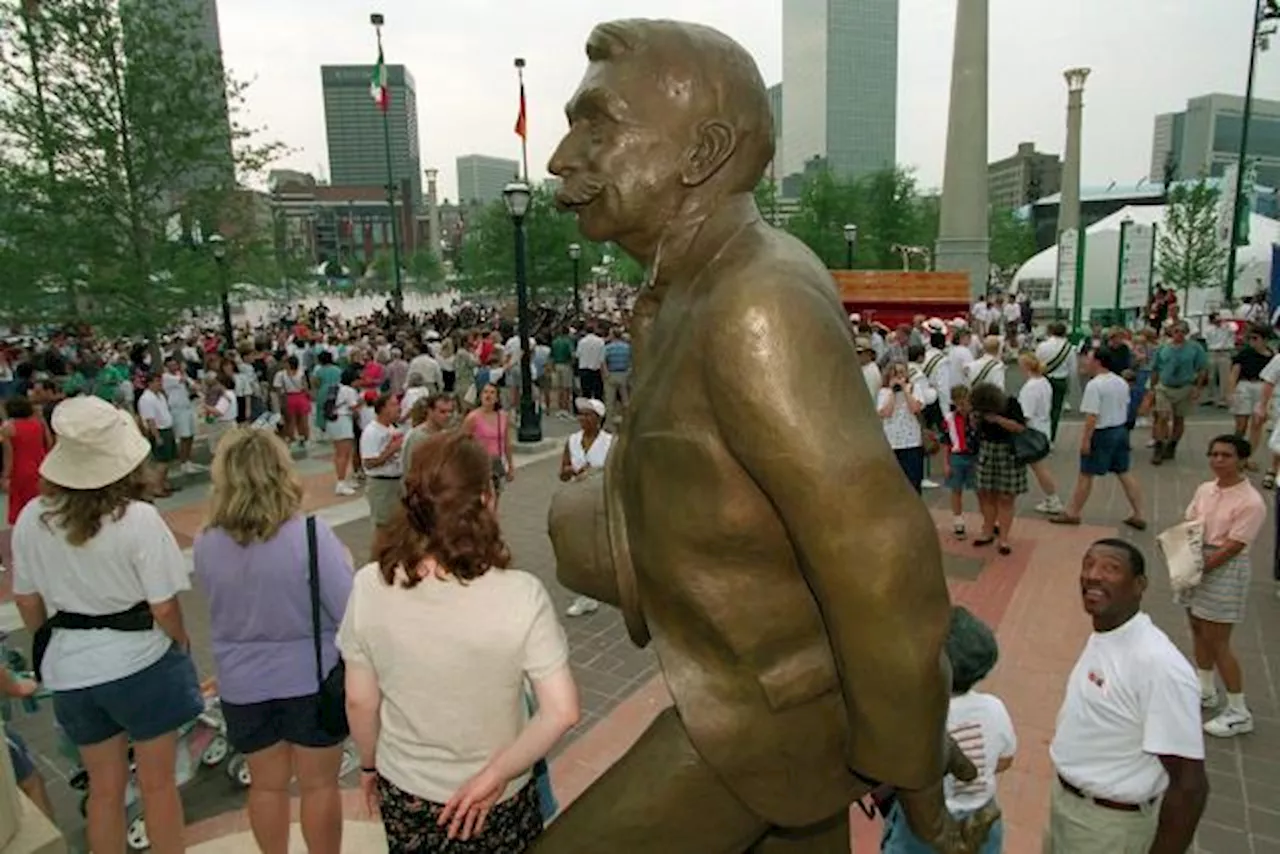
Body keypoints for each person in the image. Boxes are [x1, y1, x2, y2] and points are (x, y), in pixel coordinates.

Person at [543, 19, 991, 852]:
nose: (563, 157)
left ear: (702, 151)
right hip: (770, 725)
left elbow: (880, 565)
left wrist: (915, 771)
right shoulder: (692, 287)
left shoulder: (754, 301)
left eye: (599, 123)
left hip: (763, 726)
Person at [339, 431, 580, 851]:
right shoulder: (521, 595)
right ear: (486, 500)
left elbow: (360, 700)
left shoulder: (368, 586)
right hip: (499, 798)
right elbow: (561, 712)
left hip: (407, 790)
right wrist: (494, 775)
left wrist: (368, 765)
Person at [10, 396, 203, 854]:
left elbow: (26, 599)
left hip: (72, 669)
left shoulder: (32, 520)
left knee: (104, 790)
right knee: (158, 787)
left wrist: (46, 644)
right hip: (141, 663)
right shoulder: (138, 521)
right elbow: (165, 608)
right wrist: (182, 646)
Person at [193, 429, 353, 854]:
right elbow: (347, 609)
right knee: (319, 787)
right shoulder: (309, 535)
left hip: (242, 684)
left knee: (266, 786)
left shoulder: (207, 543)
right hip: (310, 681)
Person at [1046, 540, 1207, 853]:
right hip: (1068, 808)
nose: (1093, 575)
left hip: (1108, 828)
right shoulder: (1107, 633)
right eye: (1088, 564)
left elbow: (1190, 785)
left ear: (1139, 586)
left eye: (1111, 568)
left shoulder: (1158, 665)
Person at [881, 606, 1014, 854]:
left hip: (924, 827)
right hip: (982, 816)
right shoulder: (995, 709)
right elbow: (1005, 760)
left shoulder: (918, 716)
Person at [1179, 434, 1266, 738]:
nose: (1218, 460)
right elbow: (1190, 520)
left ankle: (1239, 710)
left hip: (1223, 568)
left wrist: (1202, 568)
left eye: (1226, 455)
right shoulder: (1205, 489)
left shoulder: (1251, 501)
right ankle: (1205, 690)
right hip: (1196, 558)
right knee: (1198, 628)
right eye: (1213, 454)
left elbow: (1233, 545)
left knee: (1219, 641)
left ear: (1241, 460)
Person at [1051, 347, 1147, 531]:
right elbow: (1126, 405)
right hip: (1120, 429)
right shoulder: (1120, 382)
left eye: (1088, 359)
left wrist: (1085, 440)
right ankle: (1138, 513)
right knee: (1124, 472)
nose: (1084, 363)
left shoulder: (1094, 385)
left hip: (1102, 432)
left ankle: (1073, 512)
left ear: (1097, 362)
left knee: (1086, 474)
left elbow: (1092, 417)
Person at [559, 398, 615, 619]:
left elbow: (618, 471)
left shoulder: (610, 442)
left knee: (600, 548)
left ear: (598, 419)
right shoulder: (572, 441)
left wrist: (598, 472)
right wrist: (571, 471)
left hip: (602, 499)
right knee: (579, 549)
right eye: (580, 414)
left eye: (587, 414)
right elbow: (562, 473)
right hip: (577, 499)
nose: (582, 418)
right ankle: (586, 596)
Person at [969, 382, 1027, 556]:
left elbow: (1020, 427)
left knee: (1006, 497)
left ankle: (1004, 538)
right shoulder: (979, 408)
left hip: (1008, 451)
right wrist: (974, 420)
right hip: (987, 449)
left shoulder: (1011, 403)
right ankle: (987, 531)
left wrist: (998, 420)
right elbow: (976, 430)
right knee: (986, 493)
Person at [1149, 321, 1208, 465]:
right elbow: (1156, 368)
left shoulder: (1195, 348)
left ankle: (1172, 445)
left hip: (1184, 387)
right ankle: (1159, 446)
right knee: (1162, 416)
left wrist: (1197, 388)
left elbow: (1202, 369)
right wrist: (1152, 388)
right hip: (1165, 386)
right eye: (1176, 331)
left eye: (1182, 332)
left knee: (1179, 418)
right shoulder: (1163, 347)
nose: (1179, 334)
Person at [1017, 353, 1063, 515]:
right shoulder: (1044, 382)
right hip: (1044, 428)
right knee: (1040, 467)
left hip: (1033, 432)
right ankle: (1051, 498)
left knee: (1039, 468)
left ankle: (1053, 498)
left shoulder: (1030, 387)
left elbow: (1026, 414)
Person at [360, 394, 405, 558]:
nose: (398, 408)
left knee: (396, 527)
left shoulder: (392, 429)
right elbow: (369, 462)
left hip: (396, 480)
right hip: (381, 483)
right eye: (393, 405)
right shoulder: (372, 432)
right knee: (383, 528)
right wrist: (391, 450)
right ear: (382, 409)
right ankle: (375, 562)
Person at [877, 362, 927, 493]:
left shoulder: (915, 388)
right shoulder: (884, 392)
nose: (899, 377)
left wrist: (905, 391)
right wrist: (893, 393)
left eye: (901, 373)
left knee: (913, 480)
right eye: (895, 374)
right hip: (891, 442)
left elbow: (915, 408)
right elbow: (885, 413)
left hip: (911, 441)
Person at [463, 384, 515, 506]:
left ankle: (491, 521)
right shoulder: (473, 417)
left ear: (497, 398)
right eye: (485, 392)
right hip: (479, 462)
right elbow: (463, 442)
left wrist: (510, 466)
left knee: (495, 497)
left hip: (496, 461)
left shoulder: (502, 416)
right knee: (483, 500)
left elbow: (506, 442)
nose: (488, 395)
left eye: (492, 393)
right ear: (480, 396)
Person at [1, 395, 51, 523]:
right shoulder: (38, 424)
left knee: (21, 509)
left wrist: (5, 476)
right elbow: (49, 443)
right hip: (40, 467)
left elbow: (9, 456)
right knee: (39, 505)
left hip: (20, 471)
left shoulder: (7, 428)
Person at [941, 386, 981, 540]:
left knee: (980, 490)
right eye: (959, 404)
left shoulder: (976, 417)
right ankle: (958, 520)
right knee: (956, 489)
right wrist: (946, 463)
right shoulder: (949, 419)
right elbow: (946, 442)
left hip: (974, 456)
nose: (963, 407)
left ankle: (988, 519)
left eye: (965, 403)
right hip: (957, 455)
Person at [1036, 322, 1076, 442]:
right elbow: (1072, 369)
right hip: (1060, 380)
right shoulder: (1069, 348)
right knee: (1055, 411)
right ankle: (1051, 439)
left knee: (1041, 409)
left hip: (1044, 379)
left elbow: (1037, 363)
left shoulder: (1042, 346)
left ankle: (1040, 436)